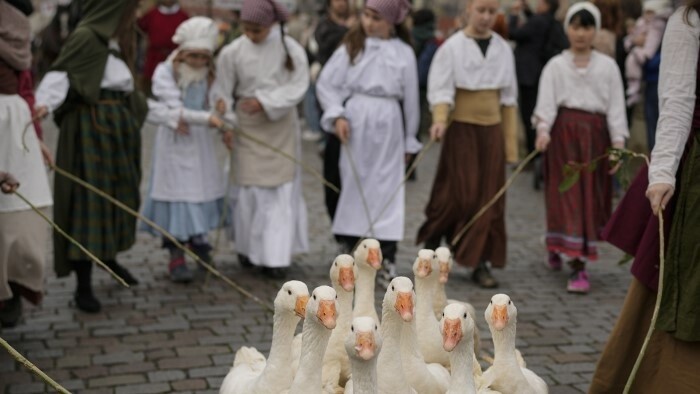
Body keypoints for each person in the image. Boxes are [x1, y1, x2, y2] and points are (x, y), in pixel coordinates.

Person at [590, 3, 700, 392]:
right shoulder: (688, 23)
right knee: (685, 282)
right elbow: (677, 103)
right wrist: (664, 173)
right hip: (697, 178)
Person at [35, 0, 148, 314]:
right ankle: (83, 284)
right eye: (128, 11)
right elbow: (59, 76)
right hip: (89, 131)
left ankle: (108, 256)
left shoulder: (116, 40)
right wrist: (40, 107)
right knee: (89, 201)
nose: (133, 17)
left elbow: (127, 85)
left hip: (117, 131)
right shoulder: (86, 37)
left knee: (117, 195)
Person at [416, 0, 518, 289]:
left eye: (491, 12)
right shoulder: (452, 47)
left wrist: (510, 147)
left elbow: (509, 101)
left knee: (489, 197)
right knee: (458, 193)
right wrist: (439, 119)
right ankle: (435, 243)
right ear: (468, 12)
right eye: (481, 11)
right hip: (461, 130)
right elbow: (441, 89)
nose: (486, 17)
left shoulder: (502, 49)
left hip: (492, 133)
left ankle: (480, 261)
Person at [317, 0, 419, 286]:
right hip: (356, 120)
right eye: (366, 16)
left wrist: (410, 140)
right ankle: (350, 249)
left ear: (392, 22)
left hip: (388, 124)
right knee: (353, 183)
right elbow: (327, 84)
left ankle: (385, 256)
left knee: (386, 187)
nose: (370, 23)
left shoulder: (403, 53)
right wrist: (337, 114)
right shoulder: (351, 47)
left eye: (377, 18)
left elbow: (411, 99)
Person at [533, 2, 629, 294]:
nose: (581, 33)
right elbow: (546, 104)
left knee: (588, 198)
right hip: (564, 140)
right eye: (576, 26)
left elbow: (616, 107)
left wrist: (618, 144)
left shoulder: (608, 67)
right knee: (565, 196)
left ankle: (572, 254)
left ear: (595, 30)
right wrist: (542, 130)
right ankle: (572, 259)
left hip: (594, 143)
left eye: (587, 27)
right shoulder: (556, 66)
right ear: (568, 29)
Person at [212, 0, 309, 279]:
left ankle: (275, 256)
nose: (252, 35)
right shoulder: (233, 52)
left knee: (278, 191)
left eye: (258, 30)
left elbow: (298, 85)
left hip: (279, 130)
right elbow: (222, 92)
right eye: (247, 29)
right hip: (247, 127)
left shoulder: (291, 49)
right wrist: (226, 124)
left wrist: (266, 101)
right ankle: (247, 249)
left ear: (271, 25)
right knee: (248, 192)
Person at [141, 17, 230, 283]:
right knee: (179, 193)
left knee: (199, 190)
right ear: (182, 52)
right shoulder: (165, 73)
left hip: (199, 143)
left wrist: (221, 110)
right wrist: (207, 118)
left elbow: (215, 100)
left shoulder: (210, 74)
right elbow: (173, 109)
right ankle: (175, 251)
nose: (198, 63)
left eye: (204, 57)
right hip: (175, 144)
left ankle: (199, 241)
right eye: (193, 56)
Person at [0, 0, 53, 328]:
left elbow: (26, 91)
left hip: (15, 129)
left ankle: (14, 287)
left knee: (23, 215)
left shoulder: (17, 27)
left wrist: (37, 138)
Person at [508, 0, 563, 190]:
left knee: (529, 116)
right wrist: (526, 10)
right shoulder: (546, 20)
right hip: (535, 73)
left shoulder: (538, 21)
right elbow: (534, 23)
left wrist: (514, 15)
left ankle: (535, 158)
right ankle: (537, 158)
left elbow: (514, 33)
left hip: (528, 76)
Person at [315, 0, 354, 223]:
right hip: (332, 97)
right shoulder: (326, 26)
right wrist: (349, 31)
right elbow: (328, 43)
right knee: (334, 162)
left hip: (355, 105)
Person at [624, 0, 673, 108]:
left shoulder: (660, 25)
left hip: (657, 72)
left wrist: (642, 52)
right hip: (649, 73)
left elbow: (651, 46)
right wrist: (632, 42)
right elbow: (634, 38)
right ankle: (633, 89)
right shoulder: (642, 23)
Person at [411, 8, 441, 182]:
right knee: (414, 126)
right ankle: (410, 164)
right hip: (423, 89)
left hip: (412, 87)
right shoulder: (432, 41)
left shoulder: (411, 37)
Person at [137, 0, 189, 94]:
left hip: (176, 60)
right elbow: (139, 29)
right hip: (153, 59)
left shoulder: (183, 17)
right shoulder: (152, 15)